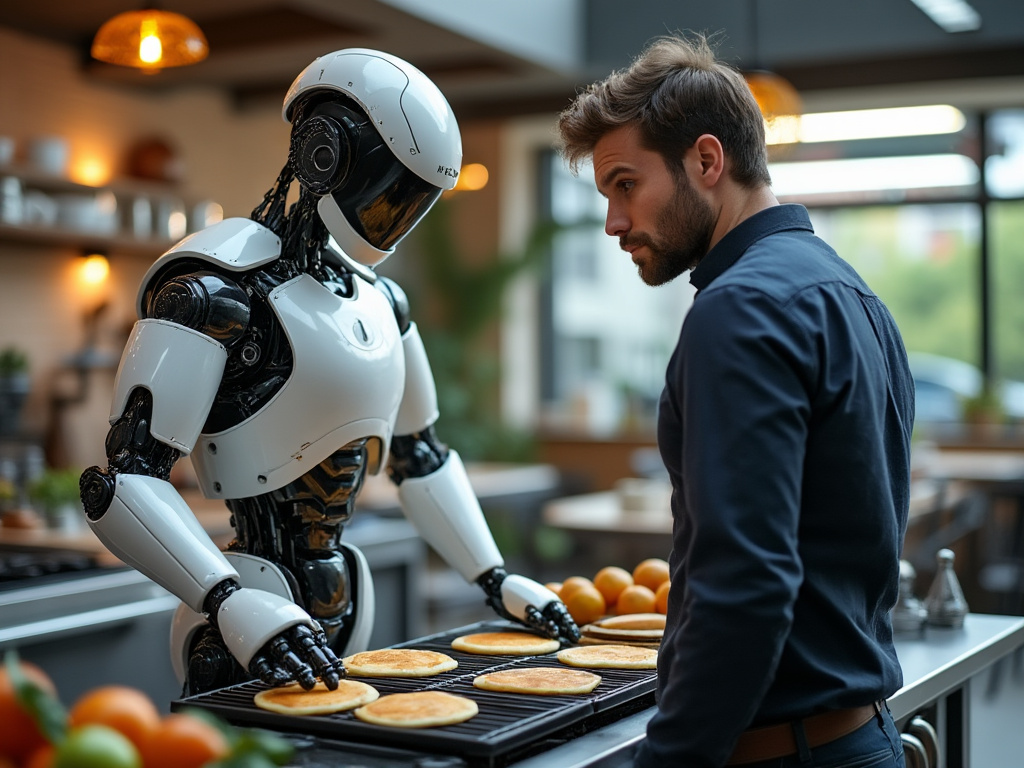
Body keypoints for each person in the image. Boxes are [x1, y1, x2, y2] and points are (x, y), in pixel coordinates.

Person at [79, 48, 578, 698]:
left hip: (344, 594)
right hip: (248, 606)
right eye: (391, 188)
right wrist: (228, 601)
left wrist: (494, 579)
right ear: (325, 153)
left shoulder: (380, 301)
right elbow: (123, 481)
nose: (395, 213)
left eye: (413, 198)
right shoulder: (214, 291)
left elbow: (419, 457)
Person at [556, 33, 913, 767]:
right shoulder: (854, 296)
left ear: (707, 161)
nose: (614, 223)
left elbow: (745, 583)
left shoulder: (739, 309)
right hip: (861, 736)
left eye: (626, 184)